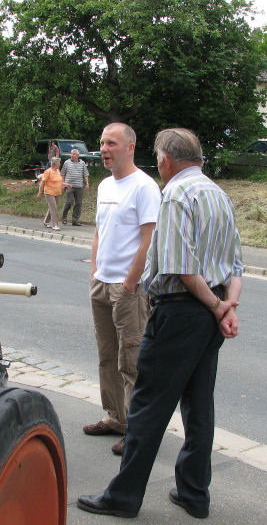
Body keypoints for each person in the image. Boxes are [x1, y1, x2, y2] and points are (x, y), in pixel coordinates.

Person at [78, 127, 242, 519]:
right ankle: (194, 493)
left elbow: (181, 268)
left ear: (165, 160)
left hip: (180, 310)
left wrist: (216, 305)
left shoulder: (176, 195)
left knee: (148, 406)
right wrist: (227, 305)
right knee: (199, 407)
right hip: (210, 312)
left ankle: (123, 497)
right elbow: (235, 264)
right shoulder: (219, 195)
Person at [84, 122, 161, 456]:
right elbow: (100, 233)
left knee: (131, 360)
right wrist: (94, 272)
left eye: (111, 143)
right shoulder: (104, 186)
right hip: (102, 283)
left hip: (127, 288)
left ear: (130, 147)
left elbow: (150, 238)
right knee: (107, 356)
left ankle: (138, 430)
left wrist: (131, 282)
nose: (104, 149)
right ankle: (116, 417)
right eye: (102, 143)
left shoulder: (144, 187)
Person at [60, 148, 90, 225]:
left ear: (77, 155)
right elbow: (62, 173)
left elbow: (85, 174)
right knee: (69, 202)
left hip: (79, 186)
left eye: (74, 154)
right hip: (69, 185)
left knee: (78, 203)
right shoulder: (67, 163)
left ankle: (75, 220)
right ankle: (64, 217)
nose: (72, 155)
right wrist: (63, 183)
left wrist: (87, 183)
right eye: (71, 154)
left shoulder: (82, 163)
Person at [37, 156, 63, 230]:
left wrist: (65, 184)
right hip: (49, 192)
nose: (60, 164)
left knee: (52, 207)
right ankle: (55, 225)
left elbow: (59, 181)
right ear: (55, 164)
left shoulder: (58, 171)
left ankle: (46, 221)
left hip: (57, 192)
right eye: (59, 163)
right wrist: (39, 192)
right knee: (53, 208)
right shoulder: (48, 171)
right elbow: (42, 183)